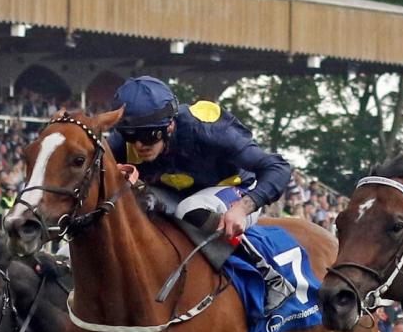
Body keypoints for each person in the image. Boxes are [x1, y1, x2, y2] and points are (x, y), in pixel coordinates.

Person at [108, 76, 301, 311]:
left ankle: (268, 276)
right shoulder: (120, 144)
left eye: (149, 134)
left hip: (236, 189)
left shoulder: (208, 127)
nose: (139, 145)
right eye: (130, 135)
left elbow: (277, 167)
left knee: (190, 208)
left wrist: (243, 208)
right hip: (176, 194)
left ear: (170, 125)